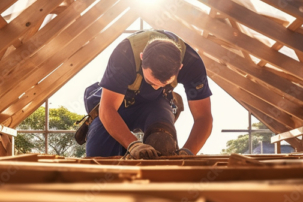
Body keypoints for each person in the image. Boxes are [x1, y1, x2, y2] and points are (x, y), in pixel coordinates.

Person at [82, 29, 213, 159]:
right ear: (142, 57)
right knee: (99, 158)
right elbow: (107, 108)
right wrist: (133, 145)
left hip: (155, 105)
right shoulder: (125, 54)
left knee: (163, 142)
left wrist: (188, 152)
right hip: (118, 105)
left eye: (163, 85)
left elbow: (203, 117)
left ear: (180, 67)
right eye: (150, 81)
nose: (156, 87)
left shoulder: (193, 64)